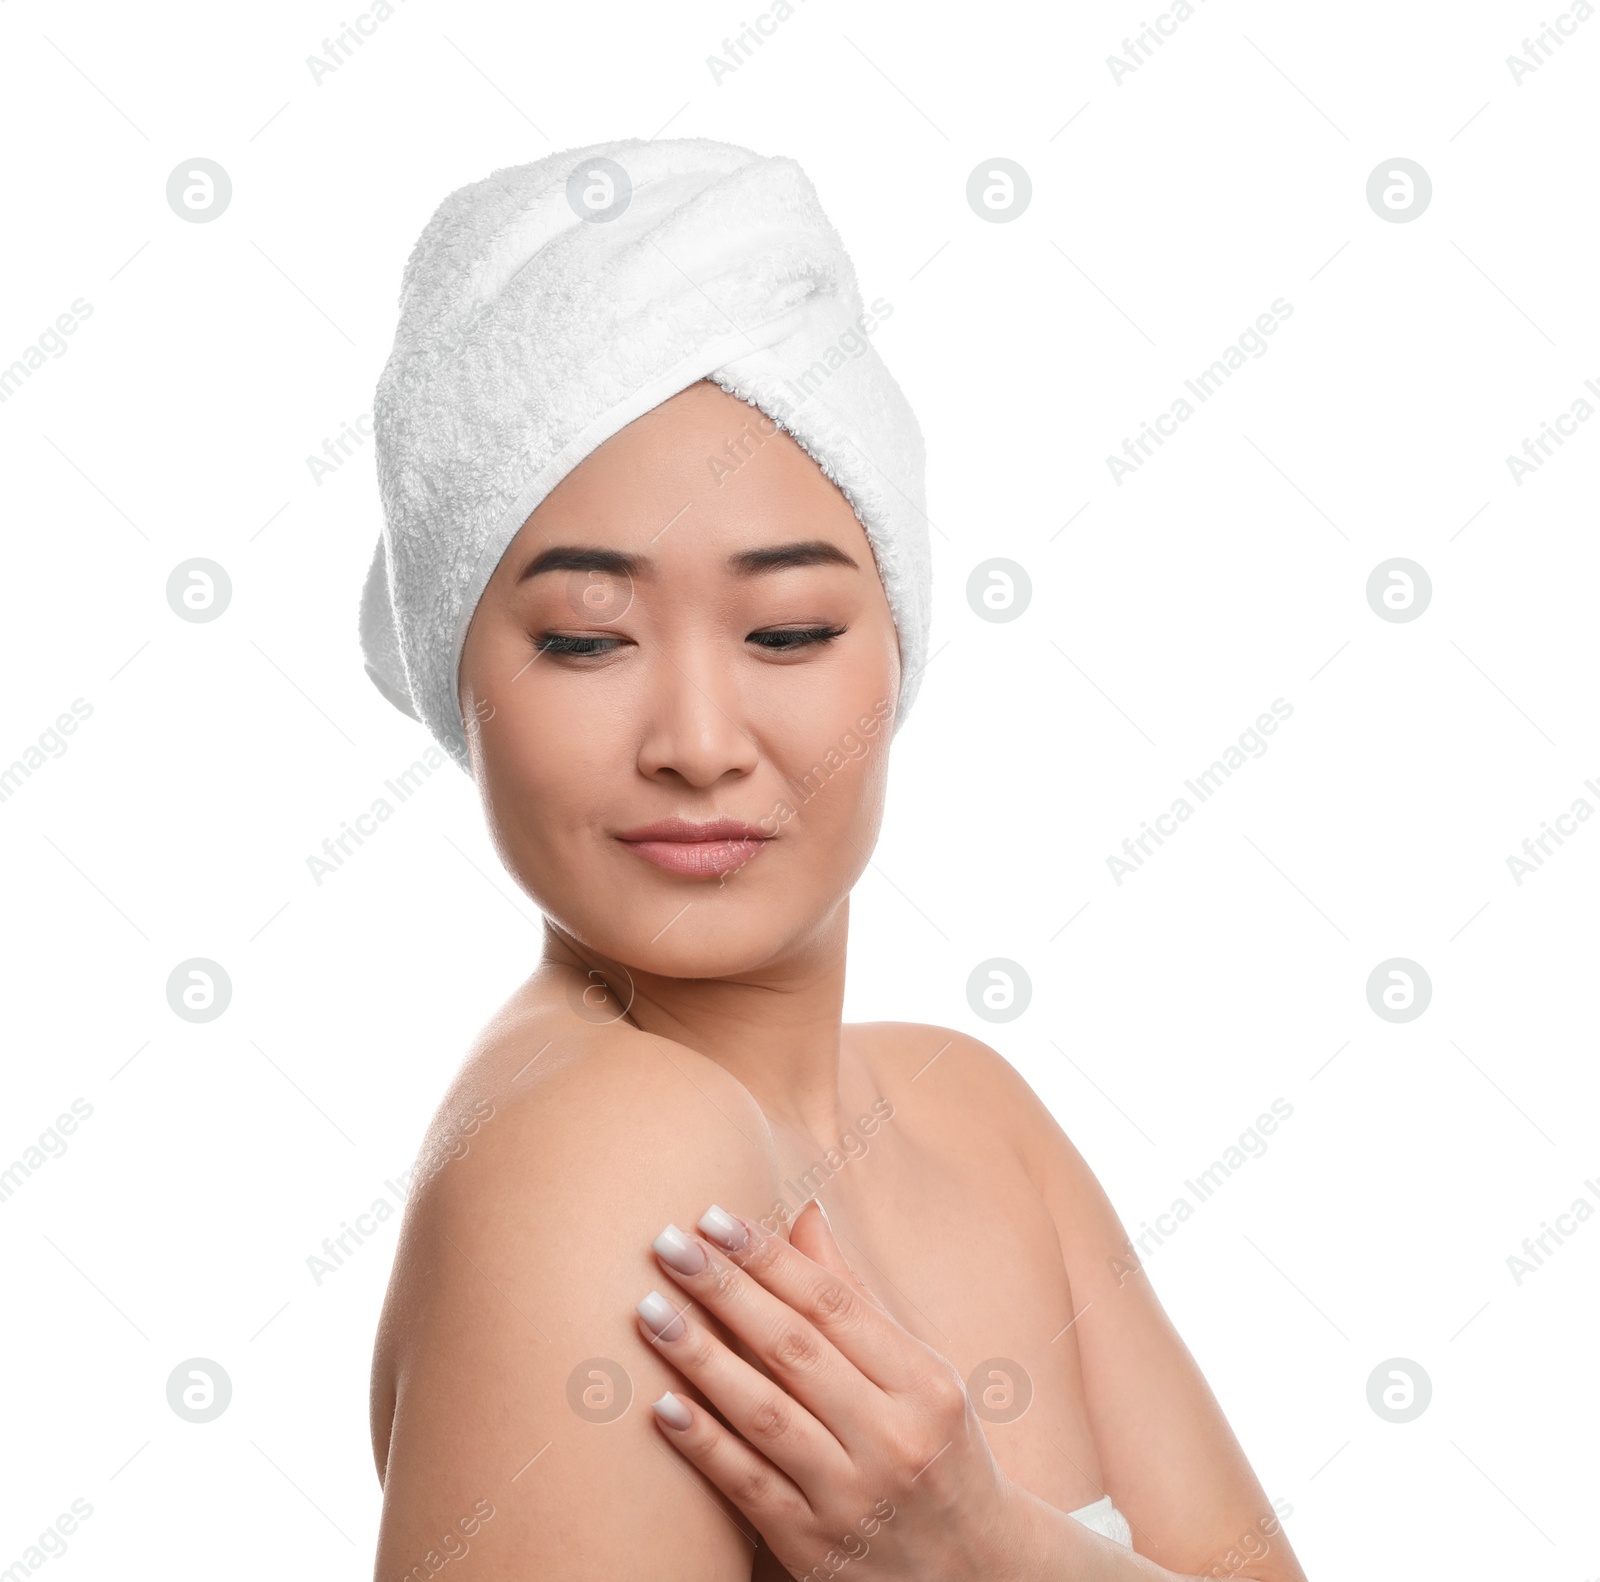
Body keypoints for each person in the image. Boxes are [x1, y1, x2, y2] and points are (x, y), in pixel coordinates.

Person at [360, 140, 1306, 1581]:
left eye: (789, 630)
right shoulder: (594, 1150)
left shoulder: (976, 1116)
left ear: (896, 648)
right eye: (585, 637)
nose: (694, 738)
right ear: (458, 674)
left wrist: (985, 1550)